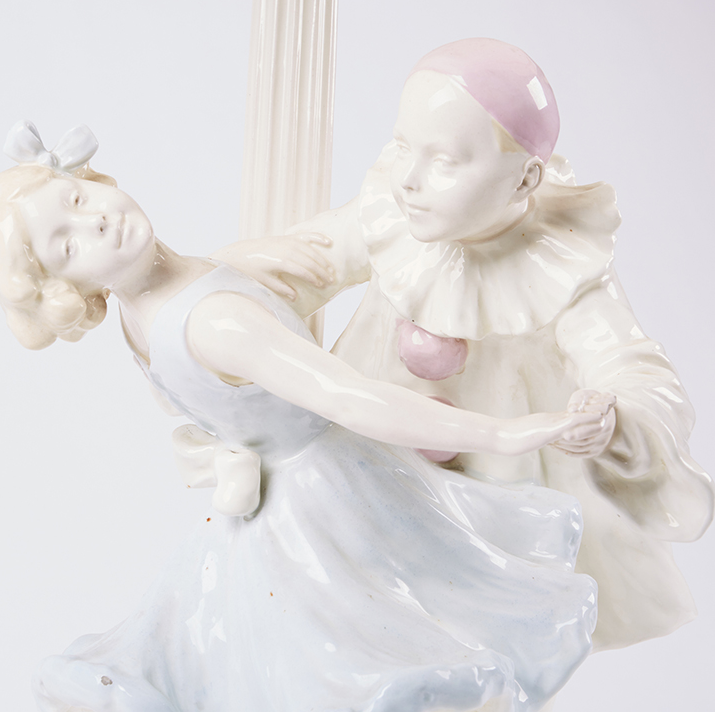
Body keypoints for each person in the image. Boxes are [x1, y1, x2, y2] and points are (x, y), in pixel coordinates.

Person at [0, 121, 610, 712]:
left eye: (79, 200)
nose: (97, 224)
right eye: (68, 245)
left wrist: (253, 262)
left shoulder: (146, 314)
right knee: (398, 648)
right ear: (68, 290)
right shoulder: (217, 322)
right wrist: (506, 432)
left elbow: (220, 299)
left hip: (256, 515)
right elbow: (352, 398)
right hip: (329, 495)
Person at [216, 38, 714, 654]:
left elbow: (630, 366)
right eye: (403, 145)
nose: (409, 179)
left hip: (488, 505)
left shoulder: (559, 265)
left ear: (524, 178)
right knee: (336, 627)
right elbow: (304, 261)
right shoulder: (394, 216)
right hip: (361, 469)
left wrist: (614, 418)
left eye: (446, 161)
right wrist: (210, 283)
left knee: (469, 652)